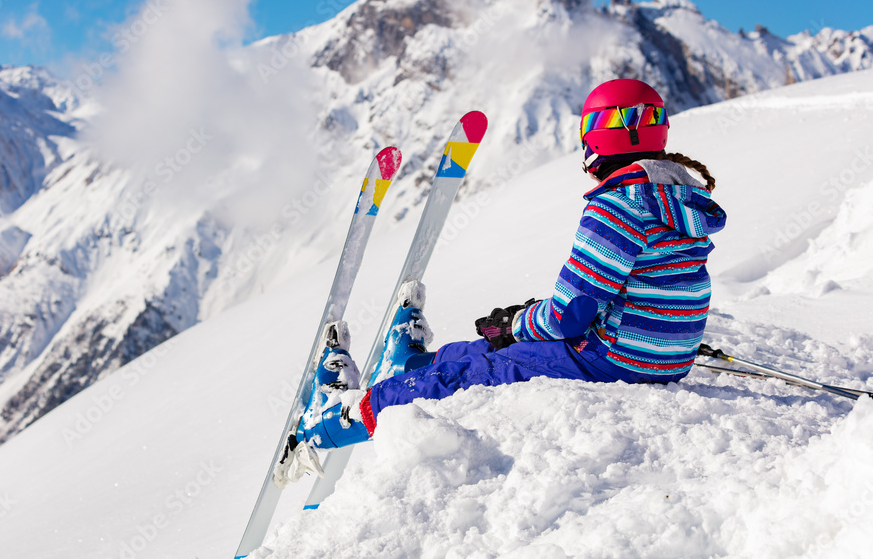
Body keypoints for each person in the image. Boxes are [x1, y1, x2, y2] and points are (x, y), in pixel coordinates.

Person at [287, 78, 728, 460]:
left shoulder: (618, 208)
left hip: (612, 360)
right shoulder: (677, 201)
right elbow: (623, 292)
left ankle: (330, 422)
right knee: (495, 350)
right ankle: (411, 363)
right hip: (665, 357)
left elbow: (569, 315)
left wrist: (518, 323)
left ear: (594, 138)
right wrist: (526, 324)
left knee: (471, 375)